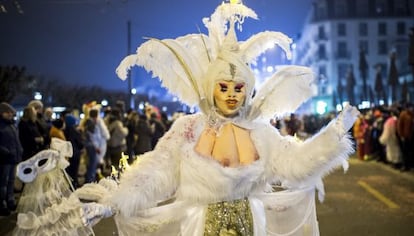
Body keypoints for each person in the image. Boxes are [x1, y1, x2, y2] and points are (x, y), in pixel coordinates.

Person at [74, 2, 360, 235]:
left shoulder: (261, 133)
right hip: (200, 227)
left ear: (248, 91)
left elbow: (296, 163)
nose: (231, 95)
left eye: (239, 88)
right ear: (211, 89)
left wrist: (335, 133)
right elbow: (155, 172)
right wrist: (113, 203)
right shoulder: (188, 129)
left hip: (250, 226)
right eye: (223, 87)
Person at [0, 102, 22, 216]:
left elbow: (16, 141)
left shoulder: (12, 125)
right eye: (7, 112)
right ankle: (2, 203)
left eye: (10, 112)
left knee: (11, 181)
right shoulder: (2, 125)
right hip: (4, 159)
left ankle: (10, 200)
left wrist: (19, 151)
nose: (10, 114)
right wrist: (5, 152)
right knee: (3, 182)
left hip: (13, 158)